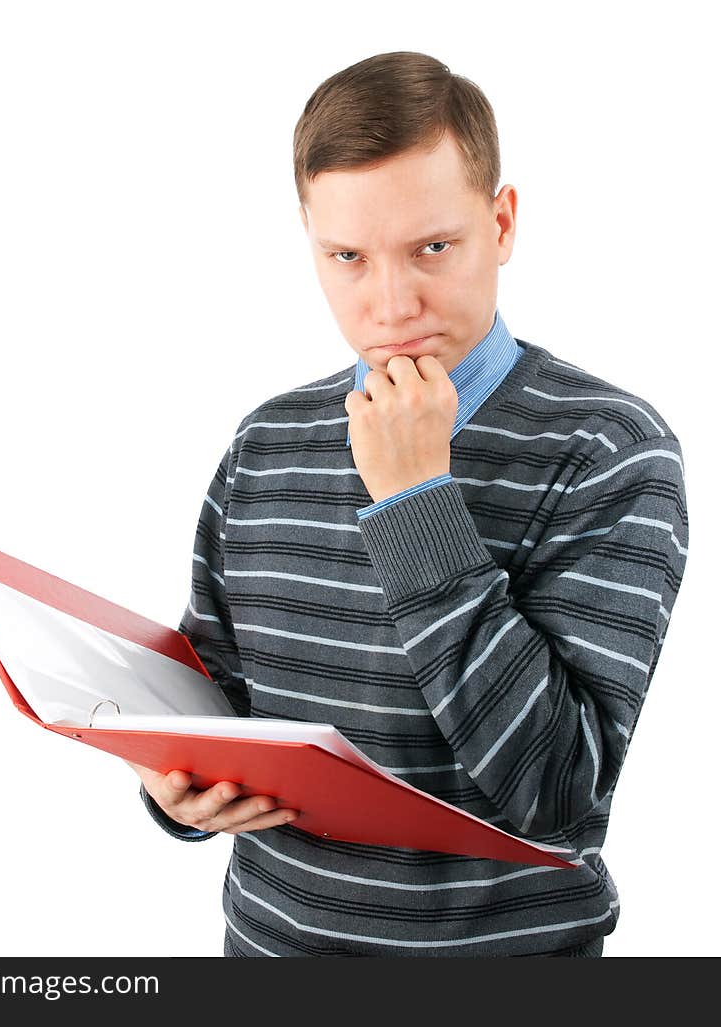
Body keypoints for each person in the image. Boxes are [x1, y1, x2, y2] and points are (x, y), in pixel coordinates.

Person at [129, 51, 689, 957]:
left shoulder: (609, 450)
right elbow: (220, 698)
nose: (391, 305)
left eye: (433, 247)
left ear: (501, 223)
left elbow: (556, 786)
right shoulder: (265, 444)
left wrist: (416, 497)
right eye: (347, 257)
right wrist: (175, 794)